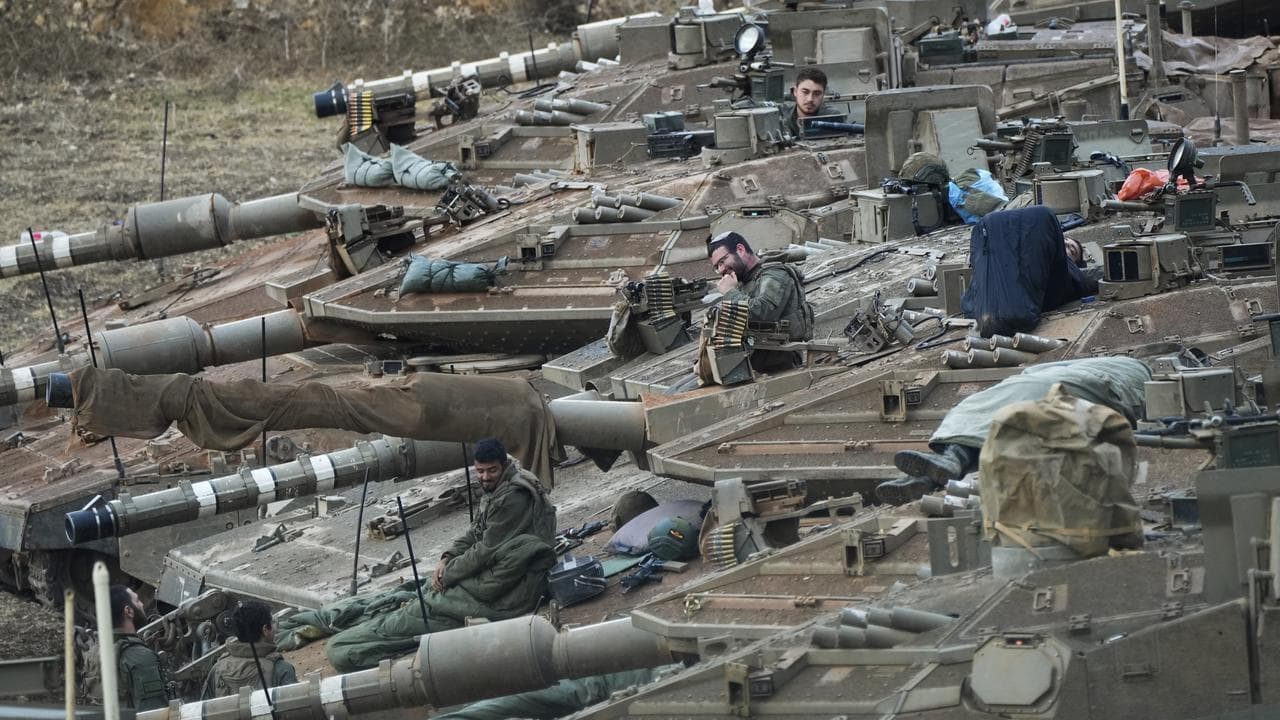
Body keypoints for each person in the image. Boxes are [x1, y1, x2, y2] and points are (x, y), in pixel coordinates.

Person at [322, 437, 556, 672]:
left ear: (503, 466)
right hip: (492, 578)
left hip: (508, 591)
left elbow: (484, 551)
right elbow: (475, 533)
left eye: (491, 471)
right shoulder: (502, 488)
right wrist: (446, 558)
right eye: (480, 471)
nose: (485, 477)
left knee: (344, 647)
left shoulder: (512, 498)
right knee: (408, 596)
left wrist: (447, 576)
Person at [874, 357, 1152, 505]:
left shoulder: (1128, 367)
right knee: (1011, 417)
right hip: (1083, 387)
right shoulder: (1140, 372)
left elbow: (1033, 372)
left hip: (1076, 384)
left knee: (985, 407)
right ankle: (944, 469)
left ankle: (949, 461)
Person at [706, 230, 813, 371]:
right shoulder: (745, 279)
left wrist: (730, 293)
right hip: (755, 354)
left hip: (778, 358)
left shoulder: (775, 274)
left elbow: (763, 313)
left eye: (722, 261)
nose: (721, 270)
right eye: (717, 267)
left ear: (740, 250)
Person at [203, 600, 297, 699]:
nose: (276, 627)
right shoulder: (281, 669)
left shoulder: (217, 669)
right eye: (273, 622)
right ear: (265, 630)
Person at [109, 584, 170, 712]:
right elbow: (155, 714)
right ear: (129, 611)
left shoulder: (93, 653)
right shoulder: (141, 658)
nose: (142, 604)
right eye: (137, 601)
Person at [780, 67, 843, 138]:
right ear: (795, 91)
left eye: (817, 93)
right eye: (805, 92)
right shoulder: (781, 116)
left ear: (823, 94)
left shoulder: (833, 118)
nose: (810, 99)